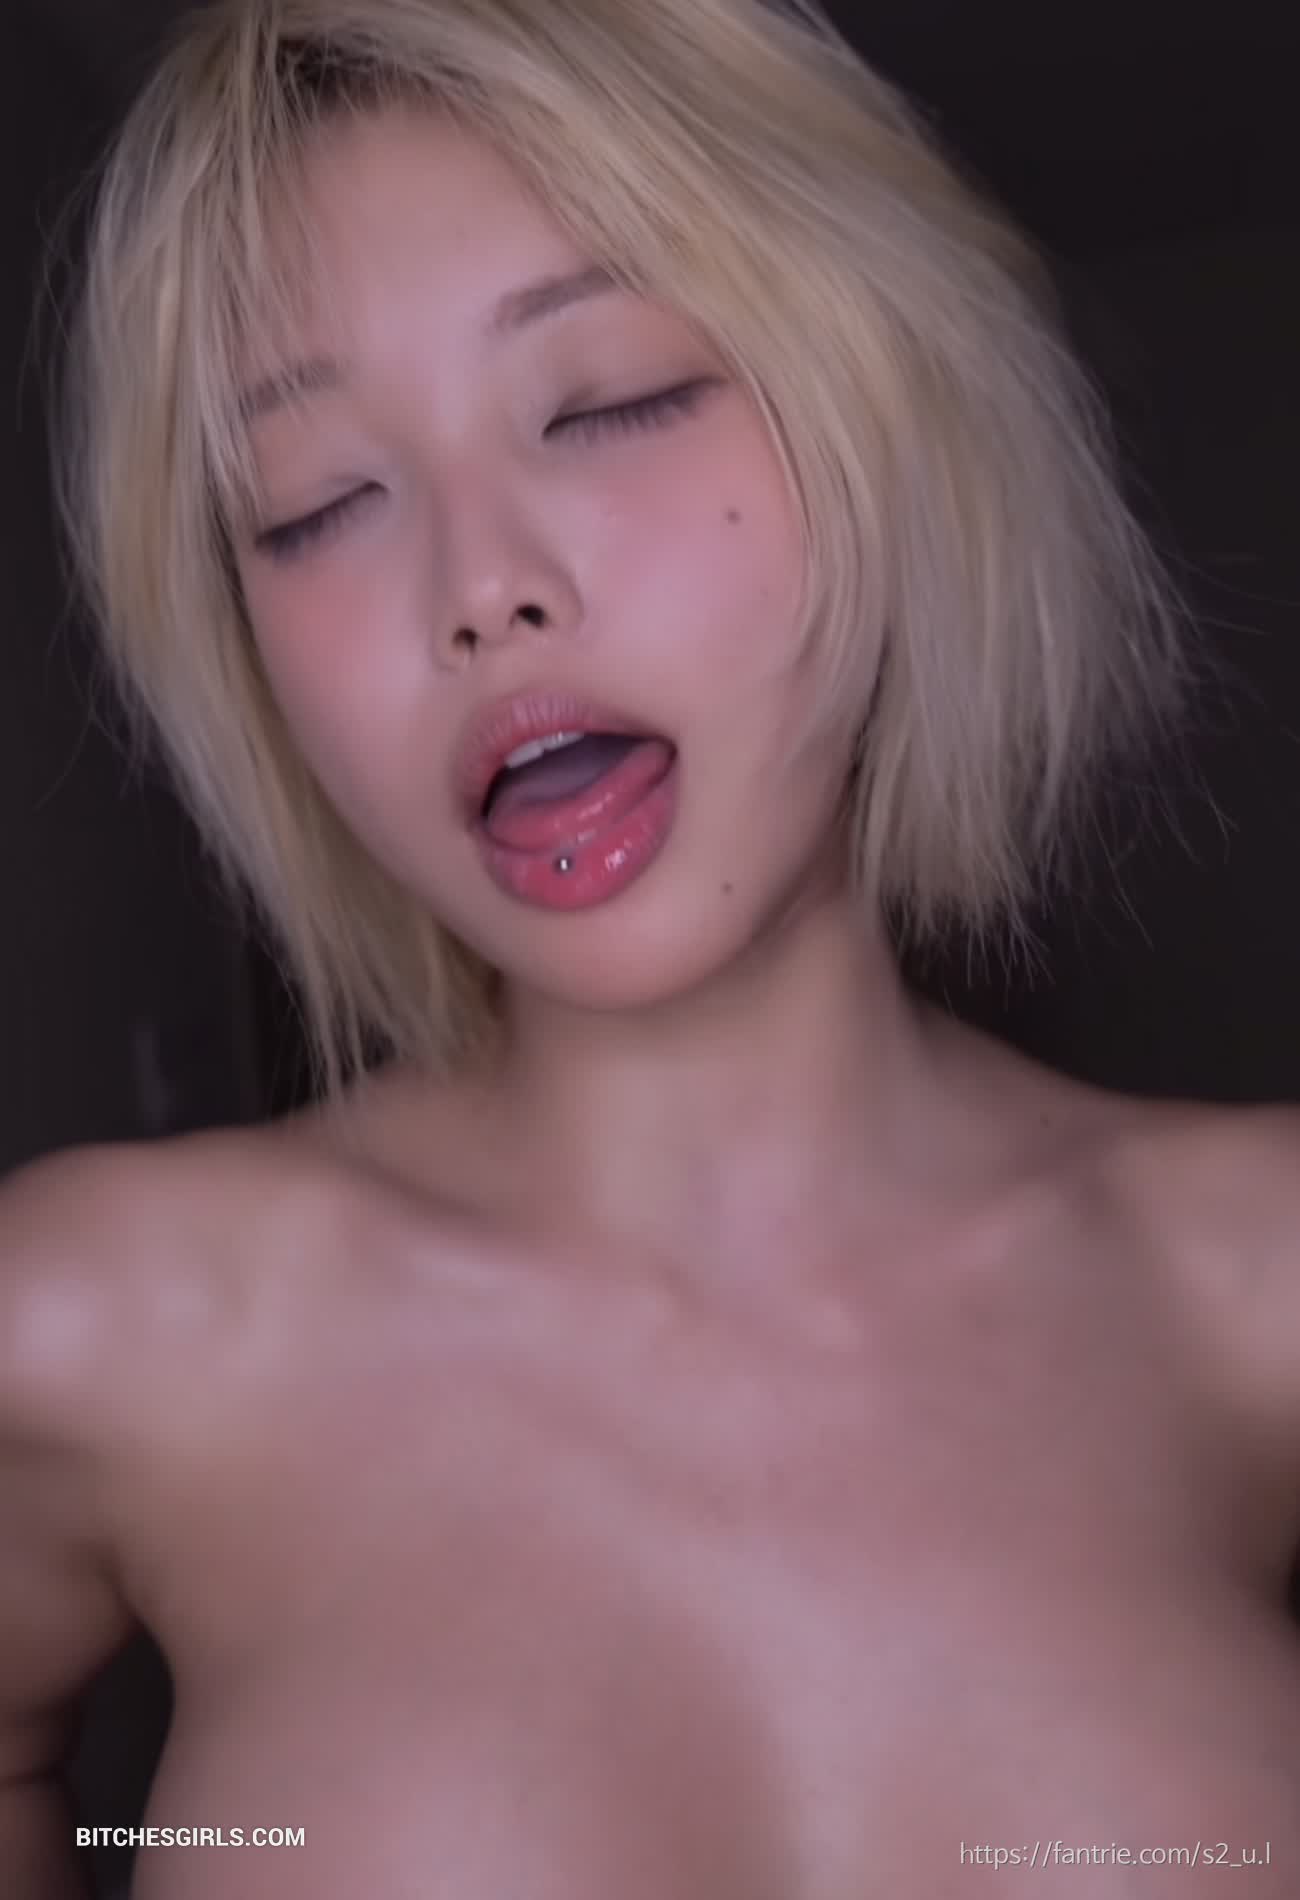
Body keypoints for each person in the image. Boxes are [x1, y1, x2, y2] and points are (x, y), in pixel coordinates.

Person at [3, 0, 1297, 1893]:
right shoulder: (96, 1337)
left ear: (884, 404)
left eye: (606, 401)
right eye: (320, 504)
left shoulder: (1253, 1295)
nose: (479, 589)